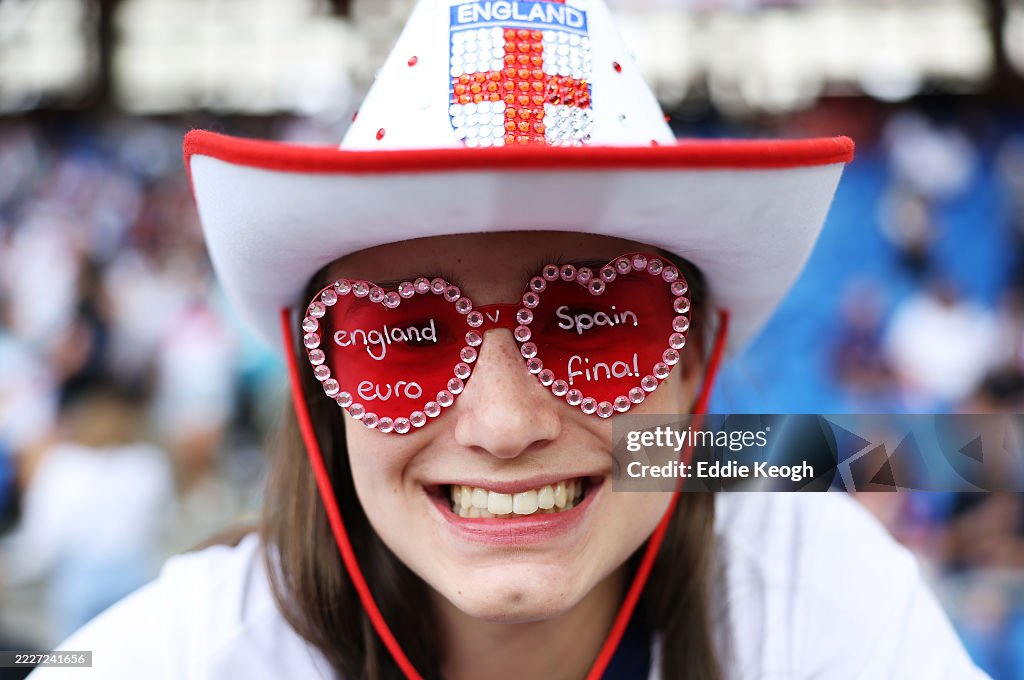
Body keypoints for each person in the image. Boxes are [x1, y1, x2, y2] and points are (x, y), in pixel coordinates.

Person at [34, 1, 987, 678]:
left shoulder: (825, 594)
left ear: (695, 364)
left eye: (596, 324)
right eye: (405, 336)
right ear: (326, 388)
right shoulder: (171, 656)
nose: (502, 424)